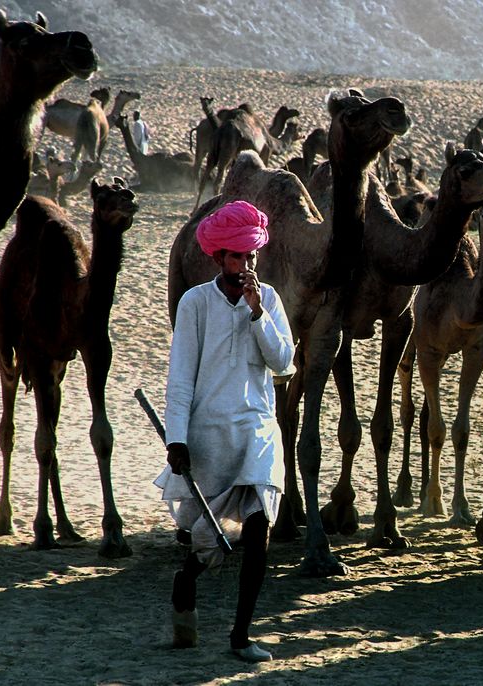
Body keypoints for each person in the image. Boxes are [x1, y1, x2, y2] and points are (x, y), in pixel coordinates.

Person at [154, 200, 294, 662]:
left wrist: (257, 314)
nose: (246, 265)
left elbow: (284, 363)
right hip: (209, 434)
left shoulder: (268, 300)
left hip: (257, 429)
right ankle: (185, 581)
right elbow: (180, 380)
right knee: (211, 541)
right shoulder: (196, 303)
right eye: (237, 256)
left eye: (251, 256)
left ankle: (240, 636)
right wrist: (177, 439)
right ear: (220, 258)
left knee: (259, 531)